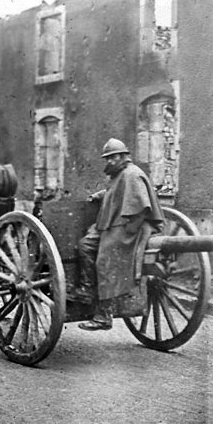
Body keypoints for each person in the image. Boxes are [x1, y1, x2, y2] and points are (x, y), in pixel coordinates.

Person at [69, 138, 164, 331]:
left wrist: (127, 232)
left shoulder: (132, 175)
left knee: (105, 261)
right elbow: (117, 193)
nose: (109, 162)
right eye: (108, 158)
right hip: (114, 225)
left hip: (128, 228)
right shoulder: (121, 174)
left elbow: (140, 208)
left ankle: (104, 315)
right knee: (85, 245)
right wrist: (99, 195)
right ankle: (87, 289)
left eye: (112, 158)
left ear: (122, 156)